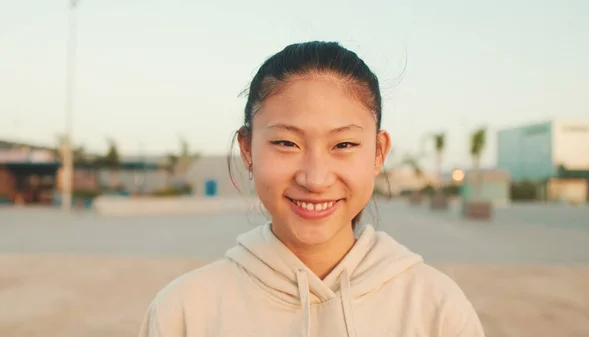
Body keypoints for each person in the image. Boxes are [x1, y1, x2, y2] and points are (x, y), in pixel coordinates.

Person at [139, 41, 485, 337]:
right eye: (287, 143)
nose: (315, 179)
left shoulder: (437, 311)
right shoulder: (183, 313)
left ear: (378, 152)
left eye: (344, 144)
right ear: (247, 149)